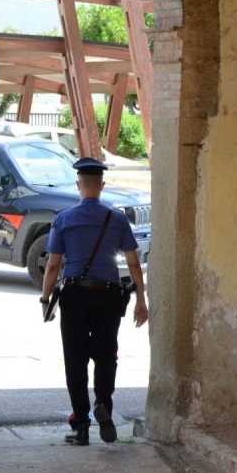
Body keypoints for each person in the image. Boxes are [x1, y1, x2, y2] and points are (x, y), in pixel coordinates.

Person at [40, 157, 149, 446]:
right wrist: (141, 300)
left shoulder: (64, 219)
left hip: (74, 296)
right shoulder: (117, 219)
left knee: (75, 360)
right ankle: (103, 403)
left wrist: (45, 298)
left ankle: (81, 425)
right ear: (101, 185)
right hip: (109, 295)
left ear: (79, 185)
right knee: (106, 354)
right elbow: (133, 262)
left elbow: (53, 265)